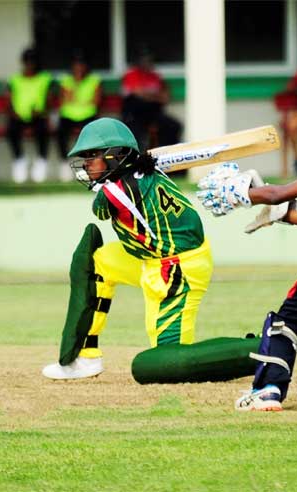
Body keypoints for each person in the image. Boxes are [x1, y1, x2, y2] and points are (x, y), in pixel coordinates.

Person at [41, 117, 211, 379]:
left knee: (169, 361)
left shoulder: (116, 192)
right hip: (150, 257)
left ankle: (251, 351)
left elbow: (100, 208)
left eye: (92, 155)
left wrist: (110, 182)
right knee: (100, 261)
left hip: (177, 268)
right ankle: (86, 358)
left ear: (115, 156)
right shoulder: (147, 172)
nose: (86, 163)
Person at [195, 159, 297, 411]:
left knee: (289, 322)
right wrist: (288, 215)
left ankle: (268, 390)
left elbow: (276, 194)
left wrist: (240, 193)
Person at [120, 51, 181, 151]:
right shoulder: (132, 74)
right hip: (135, 115)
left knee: (173, 126)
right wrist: (155, 96)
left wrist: (149, 95)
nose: (148, 63)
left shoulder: (155, 76)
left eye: (149, 61)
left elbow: (166, 97)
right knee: (135, 134)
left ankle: (168, 155)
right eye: (145, 60)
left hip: (153, 113)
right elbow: (139, 93)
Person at [8, 48, 52, 184]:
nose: (30, 65)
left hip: (39, 116)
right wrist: (13, 113)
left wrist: (42, 111)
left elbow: (49, 100)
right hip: (18, 117)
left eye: (33, 62)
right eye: (27, 61)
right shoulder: (14, 79)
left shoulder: (45, 78)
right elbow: (8, 99)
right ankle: (19, 160)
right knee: (11, 130)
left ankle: (41, 161)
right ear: (23, 62)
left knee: (43, 129)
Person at [56, 54, 102, 182]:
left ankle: (90, 165)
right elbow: (65, 99)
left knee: (93, 137)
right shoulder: (66, 80)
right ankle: (64, 163)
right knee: (60, 132)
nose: (79, 67)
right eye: (76, 65)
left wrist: (77, 100)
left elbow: (96, 101)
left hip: (88, 115)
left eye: (81, 64)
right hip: (68, 115)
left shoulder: (94, 79)